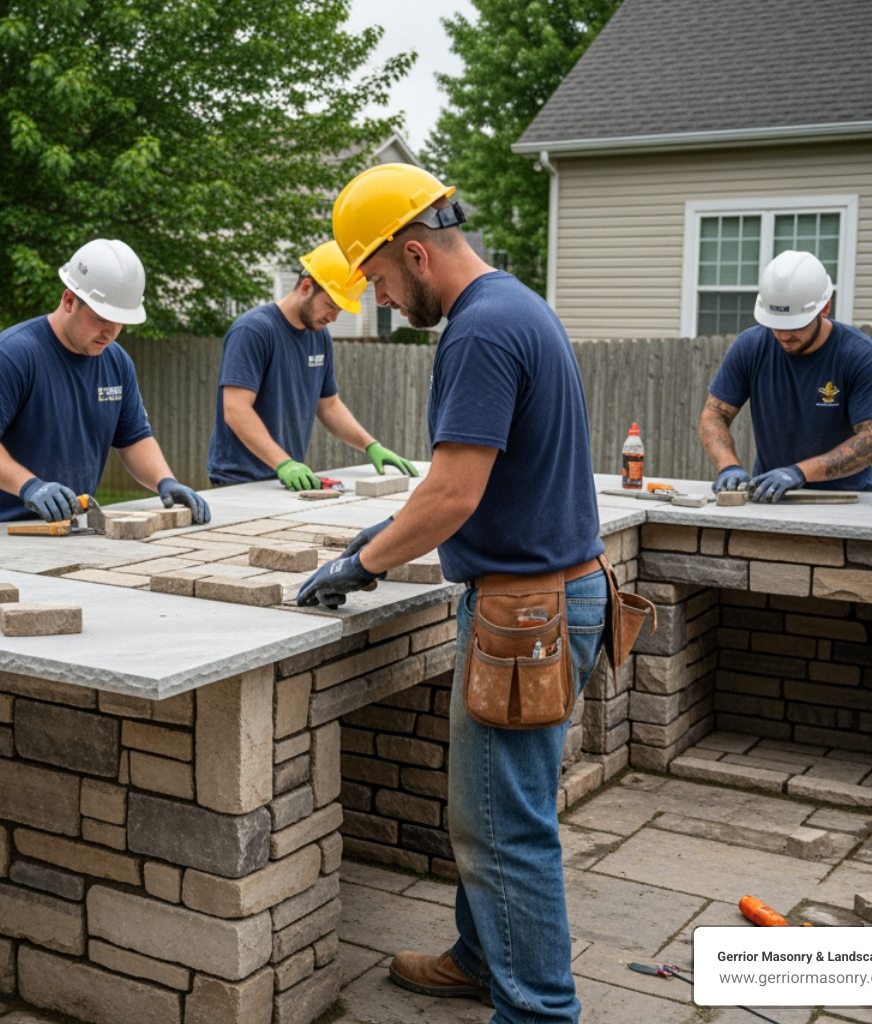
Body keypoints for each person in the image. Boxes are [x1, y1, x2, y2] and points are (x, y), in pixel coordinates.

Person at [296, 163, 607, 1024]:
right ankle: (480, 958)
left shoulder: (477, 331)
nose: (379, 299)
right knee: (499, 808)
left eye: (379, 279)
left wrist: (363, 565)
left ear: (416, 251)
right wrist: (379, 536)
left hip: (527, 612)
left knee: (504, 831)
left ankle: (539, 1011)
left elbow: (452, 494)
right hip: (546, 598)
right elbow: (459, 485)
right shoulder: (515, 305)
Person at [0, 238, 210, 528]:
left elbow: (133, 438)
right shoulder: (11, 355)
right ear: (69, 301)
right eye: (101, 318)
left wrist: (165, 481)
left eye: (120, 321)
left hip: (70, 529)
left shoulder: (116, 362)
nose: (110, 332)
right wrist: (29, 486)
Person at [205, 241, 419, 489]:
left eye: (339, 311)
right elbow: (235, 409)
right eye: (330, 305)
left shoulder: (319, 336)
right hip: (239, 481)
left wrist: (371, 445)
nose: (333, 318)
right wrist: (284, 463)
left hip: (287, 478)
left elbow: (329, 406)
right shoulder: (254, 330)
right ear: (306, 287)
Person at [700, 249, 872, 502]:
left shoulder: (859, 356)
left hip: (842, 502)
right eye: (776, 324)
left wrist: (800, 472)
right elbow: (714, 413)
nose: (784, 335)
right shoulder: (751, 346)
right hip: (768, 497)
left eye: (795, 325)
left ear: (825, 308)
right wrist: (729, 466)